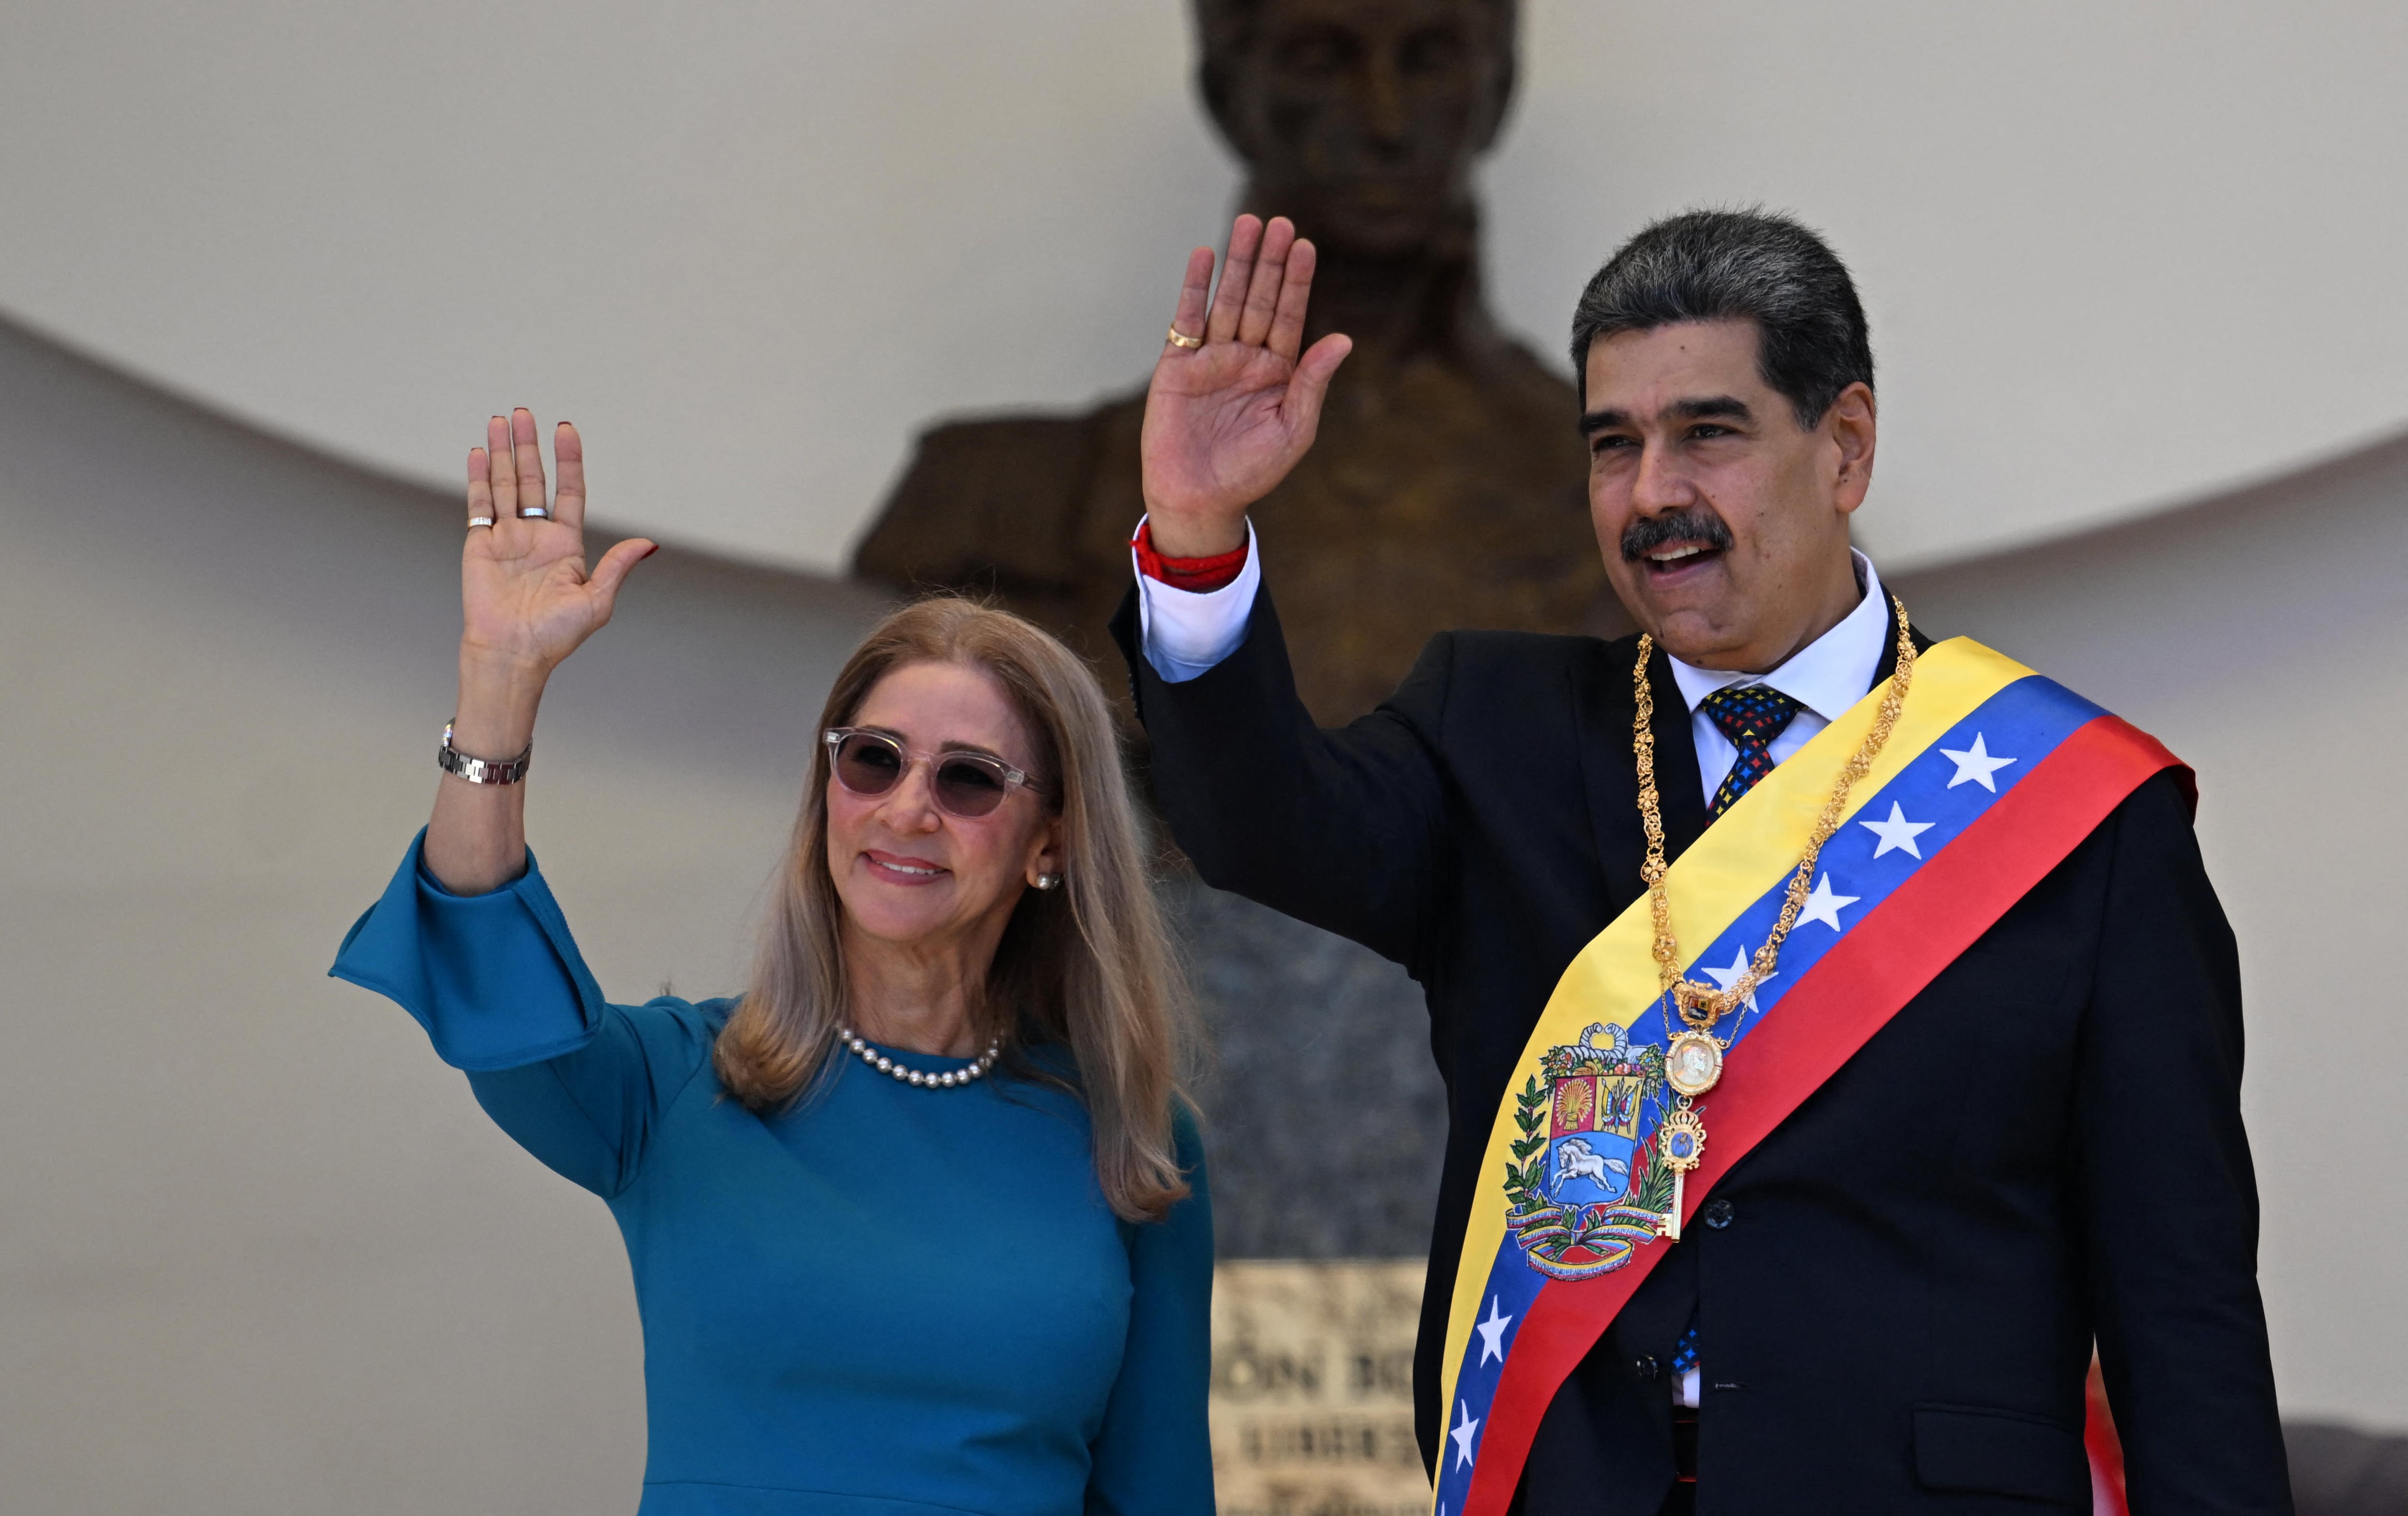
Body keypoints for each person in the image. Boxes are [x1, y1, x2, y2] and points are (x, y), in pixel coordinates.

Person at [1111, 212, 2290, 1512]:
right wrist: (1196, 531)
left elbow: (2181, 1304)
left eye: (1706, 433)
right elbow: (1258, 822)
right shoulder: (1492, 729)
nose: (1652, 490)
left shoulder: (2080, 820)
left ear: (1844, 443)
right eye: (1612, 444)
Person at [329, 412, 1213, 1516]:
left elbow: (1162, 1491)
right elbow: (485, 970)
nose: (905, 809)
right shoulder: (672, 1085)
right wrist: (498, 683)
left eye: (969, 780)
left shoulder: (1130, 1135)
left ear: (1053, 841)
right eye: (873, 761)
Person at [855, 0, 1614, 728]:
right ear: (1226, 92)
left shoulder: (1617, 488)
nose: (1385, 118)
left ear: (1500, 87)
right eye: (1320, 58)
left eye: (1432, 58)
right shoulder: (995, 504)